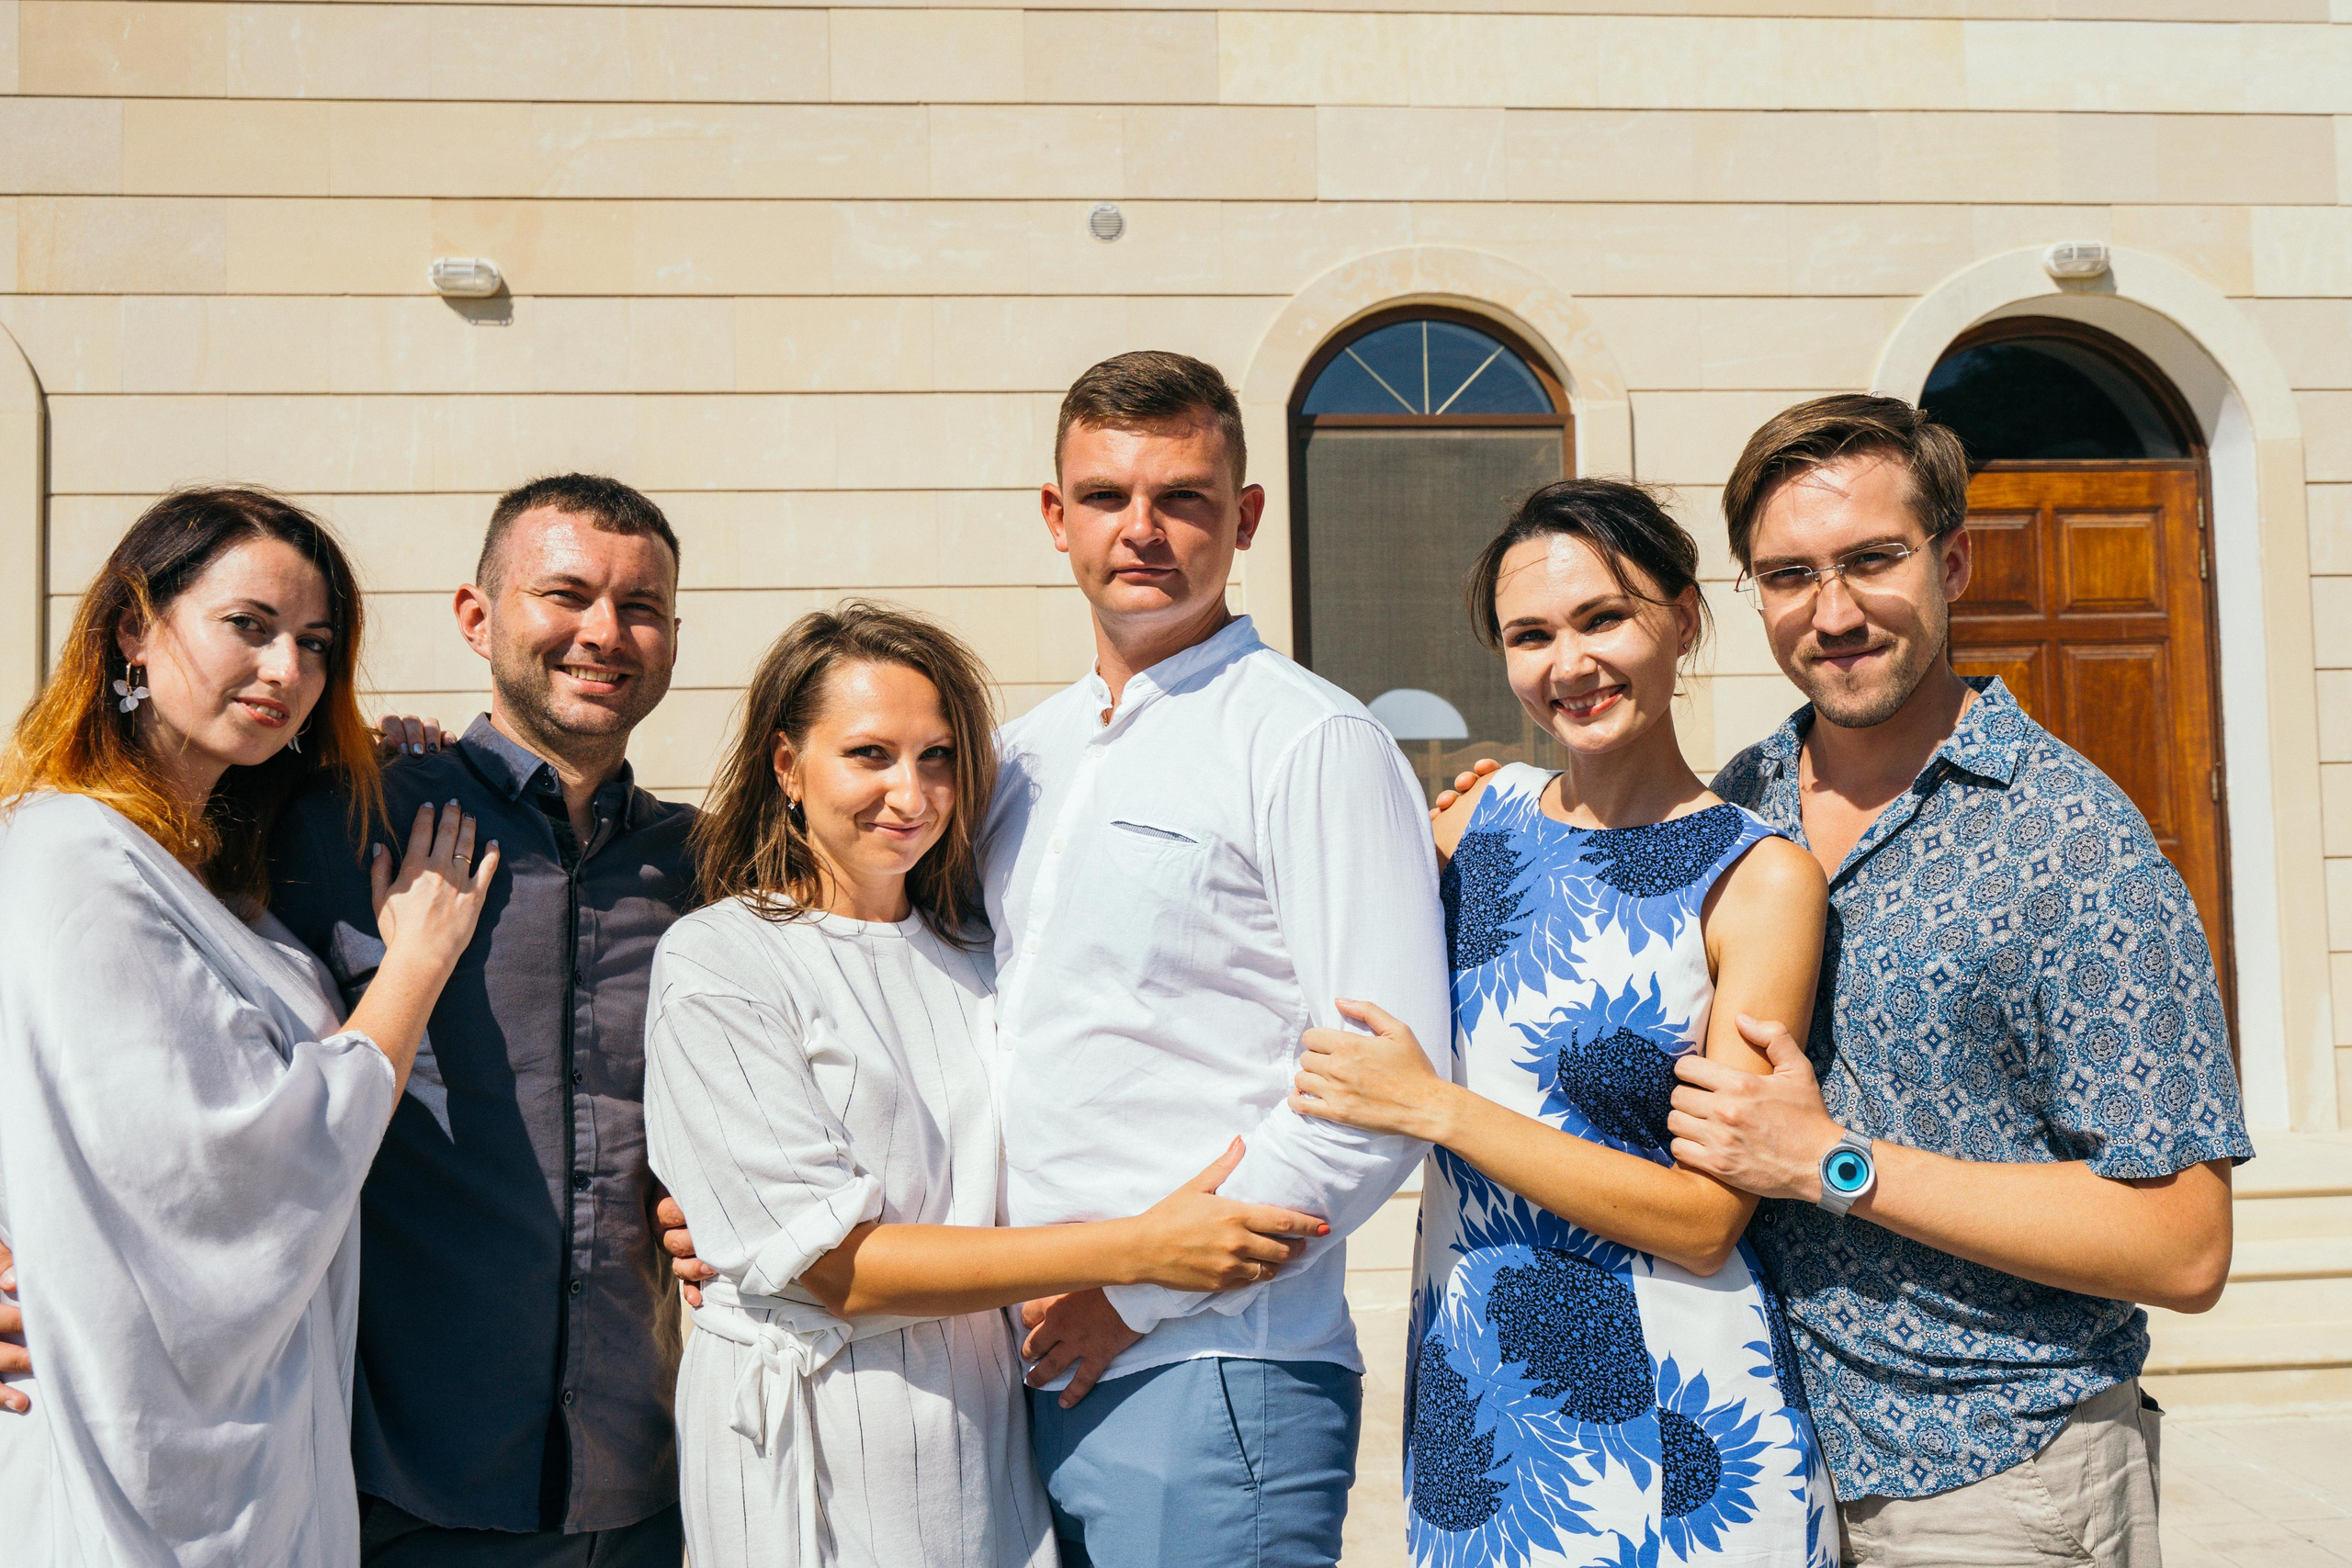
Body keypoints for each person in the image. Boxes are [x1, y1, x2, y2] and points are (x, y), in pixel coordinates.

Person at [1442, 396, 2250, 1567]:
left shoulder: (2075, 844)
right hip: (1769, 1465)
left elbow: (2183, 1245)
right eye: (1789, 575)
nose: (1832, 612)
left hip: (1993, 1474)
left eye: (1871, 560)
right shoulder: (1739, 797)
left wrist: (1830, 1163)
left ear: (1951, 562)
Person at [644, 602, 1328, 1568]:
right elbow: (836, 1268)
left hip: (979, 1435)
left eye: (938, 757)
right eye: (870, 755)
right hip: (809, 1448)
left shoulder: (977, 951)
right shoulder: (719, 959)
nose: (911, 792)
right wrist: (1140, 1249)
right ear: (787, 767)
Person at [1290, 479, 1837, 1567]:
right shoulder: (1471, 824)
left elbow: (1706, 1220)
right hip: (1473, 1397)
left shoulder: (1760, 878)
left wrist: (1436, 1110)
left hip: (1673, 1418)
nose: (1568, 663)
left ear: (1682, 618)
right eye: (1530, 635)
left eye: (1603, 618)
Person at [982, 352, 1452, 1568]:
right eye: (1105, 496)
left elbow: (1374, 1099)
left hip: (1212, 1366)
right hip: (1017, 1363)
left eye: (1181, 498)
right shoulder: (1015, 756)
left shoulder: (1311, 740)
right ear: (1056, 517)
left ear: (1243, 518)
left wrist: (1128, 1293)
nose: (1140, 529)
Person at [0, 488, 495, 1563]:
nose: (287, 672)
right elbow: (226, 1167)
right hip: (133, 1467)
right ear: (133, 629)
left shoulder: (204, 870)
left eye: (315, 644)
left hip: (258, 1456)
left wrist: (389, 765)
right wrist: (412, 970)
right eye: (250, 626)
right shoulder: (71, 857)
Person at [269, 474, 698, 1565]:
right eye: (566, 595)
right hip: (405, 1490)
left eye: (640, 607)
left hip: (648, 1486)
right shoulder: (342, 821)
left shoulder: (707, 864)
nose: (605, 633)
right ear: (476, 616)